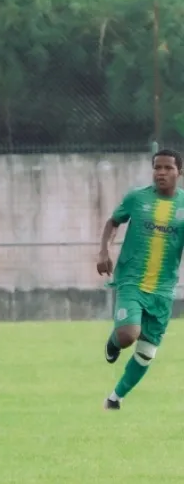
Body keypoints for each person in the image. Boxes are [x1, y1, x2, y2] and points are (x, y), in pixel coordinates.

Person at [98, 148, 184, 410]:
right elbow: (113, 222)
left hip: (163, 288)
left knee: (146, 353)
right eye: (157, 167)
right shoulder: (137, 198)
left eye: (168, 168)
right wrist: (104, 250)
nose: (161, 172)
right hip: (132, 280)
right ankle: (113, 343)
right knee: (128, 335)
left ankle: (115, 398)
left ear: (180, 172)